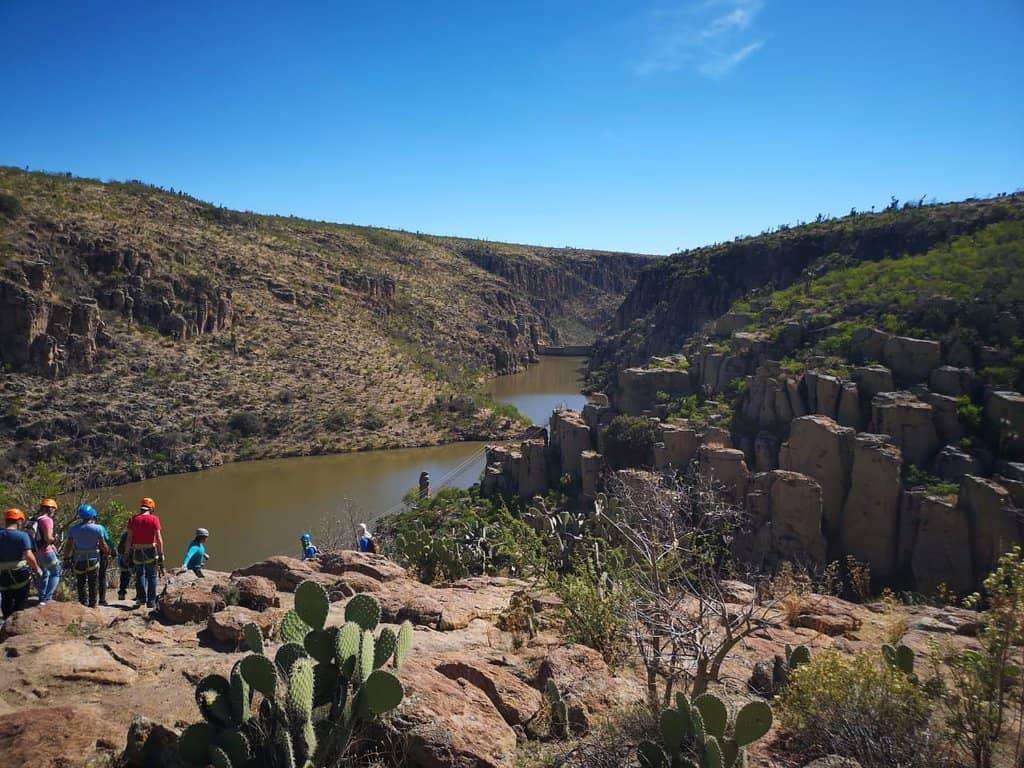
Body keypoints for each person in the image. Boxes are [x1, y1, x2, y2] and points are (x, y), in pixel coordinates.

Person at [62, 504, 109, 608]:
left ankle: (82, 603)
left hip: (78, 559)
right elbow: (103, 544)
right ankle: (93, 604)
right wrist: (107, 553)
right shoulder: (97, 529)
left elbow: (69, 546)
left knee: (81, 582)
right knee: (93, 582)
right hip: (92, 559)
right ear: (92, 515)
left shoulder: (73, 529)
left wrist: (66, 558)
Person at [0, 509, 43, 620]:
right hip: (19, 573)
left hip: (2, 574)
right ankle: (16, 624)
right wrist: (37, 568)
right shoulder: (22, 536)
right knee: (21, 600)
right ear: (19, 521)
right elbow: (28, 555)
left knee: (6, 598)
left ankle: (6, 621)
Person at [125, 497, 164, 609]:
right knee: (152, 576)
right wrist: (161, 554)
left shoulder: (133, 519)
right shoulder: (154, 519)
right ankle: (151, 602)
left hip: (137, 551)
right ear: (151, 508)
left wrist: (127, 553)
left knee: (139, 574)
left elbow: (129, 538)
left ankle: (141, 599)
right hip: (150, 550)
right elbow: (159, 538)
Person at [32, 498, 61, 605]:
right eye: (54, 510)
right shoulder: (47, 520)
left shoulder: (35, 519)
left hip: (36, 552)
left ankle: (41, 599)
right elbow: (48, 539)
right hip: (46, 551)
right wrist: (55, 539)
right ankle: (47, 598)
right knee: (56, 572)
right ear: (51, 509)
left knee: (44, 573)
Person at [93, 515, 116, 606]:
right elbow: (107, 540)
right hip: (101, 554)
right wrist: (113, 551)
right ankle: (102, 600)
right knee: (102, 576)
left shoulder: (79, 528)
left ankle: (88, 600)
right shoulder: (100, 528)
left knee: (90, 577)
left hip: (83, 555)